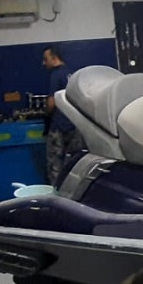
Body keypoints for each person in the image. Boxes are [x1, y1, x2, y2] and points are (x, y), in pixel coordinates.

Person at [42, 46, 84, 183]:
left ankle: (56, 193)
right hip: (75, 125)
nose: (44, 63)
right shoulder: (71, 74)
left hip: (59, 126)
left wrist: (45, 115)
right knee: (74, 163)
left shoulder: (56, 75)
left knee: (55, 165)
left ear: (54, 58)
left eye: (46, 59)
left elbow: (51, 103)